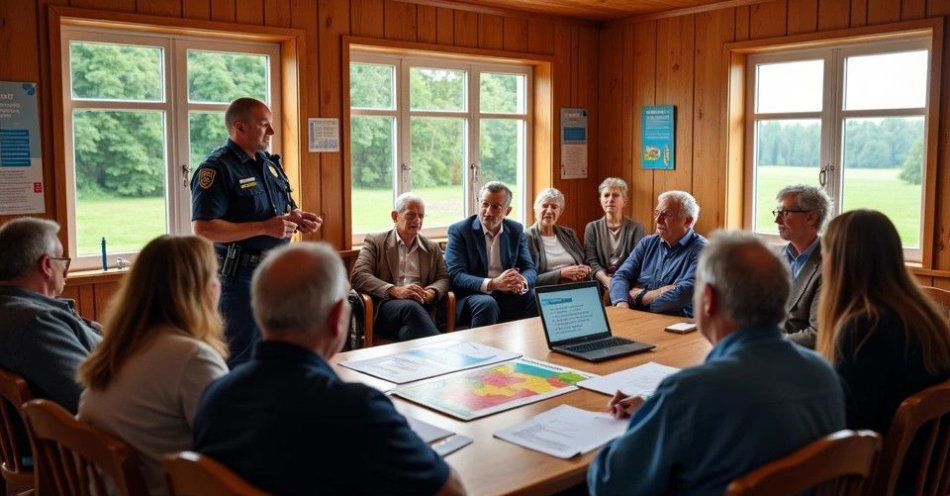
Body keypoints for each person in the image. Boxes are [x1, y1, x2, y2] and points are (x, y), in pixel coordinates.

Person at [193, 243, 466, 496]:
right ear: (337, 318)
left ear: (258, 311)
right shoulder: (358, 409)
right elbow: (452, 490)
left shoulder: (215, 396)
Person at [588, 231, 845, 495]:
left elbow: (609, 484)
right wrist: (657, 411)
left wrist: (647, 422)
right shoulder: (823, 375)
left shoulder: (691, 392)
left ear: (708, 299)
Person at [77, 235, 229, 496]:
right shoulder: (192, 359)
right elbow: (233, 449)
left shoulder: (122, 347)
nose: (219, 285)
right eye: (215, 276)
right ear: (201, 288)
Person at [191, 97, 321, 367]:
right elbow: (203, 229)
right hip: (239, 279)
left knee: (278, 354)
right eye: (264, 125)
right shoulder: (216, 169)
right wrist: (264, 227)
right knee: (240, 356)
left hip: (277, 275)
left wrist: (296, 217)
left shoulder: (268, 164)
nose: (271, 132)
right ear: (240, 127)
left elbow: (281, 206)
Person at [817, 210, 950, 435]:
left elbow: (848, 425)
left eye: (824, 253)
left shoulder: (863, 328)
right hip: (920, 463)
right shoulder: (922, 314)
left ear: (839, 261)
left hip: (878, 464)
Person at [0, 218, 101, 415]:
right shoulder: (36, 324)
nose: (65, 271)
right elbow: (89, 400)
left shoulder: (14, 310)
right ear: (46, 265)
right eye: (62, 260)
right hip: (98, 441)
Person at [350, 193, 450, 340]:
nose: (417, 221)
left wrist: (431, 292)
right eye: (411, 215)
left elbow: (443, 278)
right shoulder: (376, 241)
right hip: (387, 307)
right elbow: (359, 276)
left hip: (422, 307)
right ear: (395, 216)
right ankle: (441, 350)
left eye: (421, 216)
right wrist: (394, 290)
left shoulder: (431, 247)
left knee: (408, 333)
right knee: (410, 307)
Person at [444, 181, 538, 328]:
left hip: (508, 293)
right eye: (484, 204)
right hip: (474, 295)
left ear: (507, 210)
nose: (488, 211)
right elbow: (456, 275)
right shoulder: (460, 231)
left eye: (495, 207)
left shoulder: (515, 230)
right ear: (478, 204)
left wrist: (522, 281)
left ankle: (530, 348)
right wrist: (493, 284)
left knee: (533, 297)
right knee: (487, 304)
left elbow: (529, 268)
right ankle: (481, 351)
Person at [609, 190, 707, 316]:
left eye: (667, 215)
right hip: (636, 317)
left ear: (688, 221)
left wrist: (640, 297)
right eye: (657, 213)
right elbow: (621, 276)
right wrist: (622, 304)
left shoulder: (704, 251)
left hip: (675, 322)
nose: (658, 220)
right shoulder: (647, 243)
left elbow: (681, 295)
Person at [774, 184, 831, 348]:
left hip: (795, 359)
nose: (777, 219)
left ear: (811, 218)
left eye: (785, 213)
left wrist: (766, 345)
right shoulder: (773, 257)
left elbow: (817, 335)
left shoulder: (828, 266)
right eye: (777, 212)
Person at [585, 178, 646, 291]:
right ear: (600, 200)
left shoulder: (637, 228)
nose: (610, 199)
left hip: (628, 281)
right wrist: (606, 280)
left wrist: (618, 281)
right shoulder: (592, 228)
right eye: (606, 195)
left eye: (615, 195)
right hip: (600, 282)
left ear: (625, 201)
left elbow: (637, 261)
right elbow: (591, 261)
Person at [525, 188, 590, 287]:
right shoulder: (526, 237)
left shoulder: (569, 233)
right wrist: (560, 274)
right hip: (548, 291)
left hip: (577, 286)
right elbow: (528, 280)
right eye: (545, 206)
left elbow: (584, 262)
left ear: (560, 211)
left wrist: (586, 270)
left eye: (554, 207)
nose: (549, 211)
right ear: (535, 208)